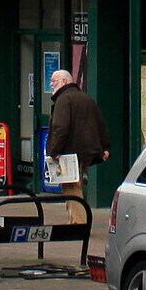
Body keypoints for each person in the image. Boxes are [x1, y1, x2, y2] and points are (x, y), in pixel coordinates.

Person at [46, 69, 110, 224]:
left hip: (70, 152)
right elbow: (101, 124)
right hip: (86, 151)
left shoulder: (63, 100)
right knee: (75, 184)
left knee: (71, 187)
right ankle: (77, 221)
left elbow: (60, 128)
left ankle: (78, 224)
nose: (51, 84)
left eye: (54, 81)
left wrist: (54, 151)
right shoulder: (86, 98)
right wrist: (105, 147)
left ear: (64, 82)